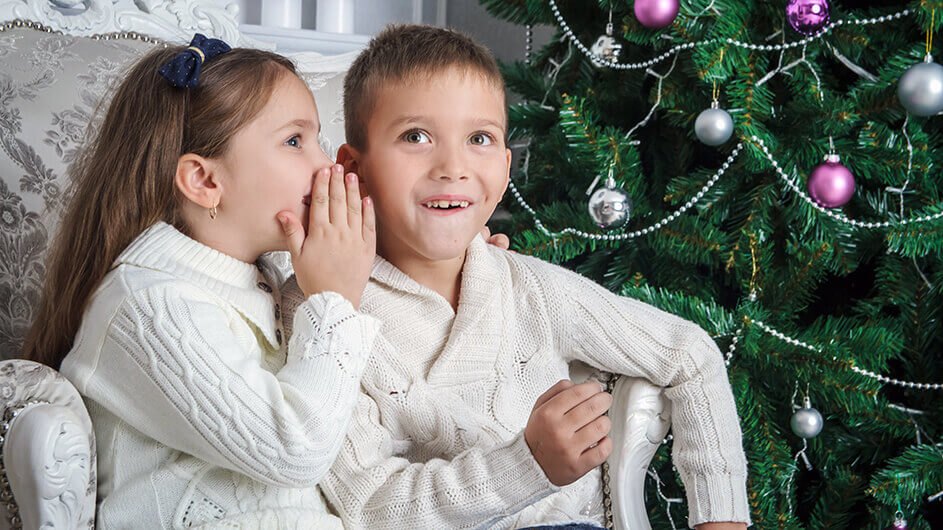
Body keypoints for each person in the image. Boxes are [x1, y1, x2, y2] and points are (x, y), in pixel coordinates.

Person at [311, 25, 752, 529]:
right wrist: (527, 465)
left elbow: (690, 354)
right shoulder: (328, 309)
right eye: (416, 136)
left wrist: (720, 519)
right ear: (355, 168)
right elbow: (369, 505)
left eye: (479, 138)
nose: (453, 167)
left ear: (503, 170)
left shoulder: (529, 287)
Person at [22, 35, 381, 528]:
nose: (325, 165)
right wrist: (336, 298)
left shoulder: (273, 281)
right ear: (204, 181)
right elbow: (295, 450)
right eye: (295, 141)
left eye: (316, 140)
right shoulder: (147, 305)